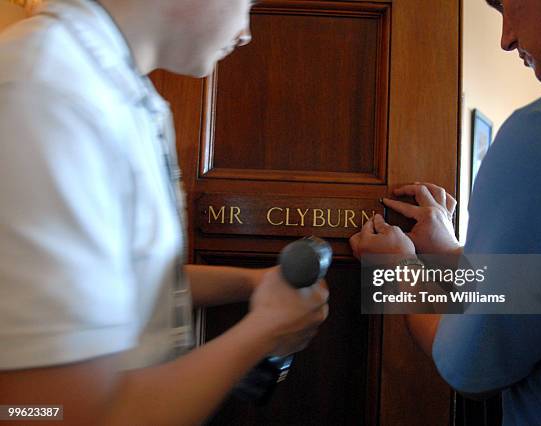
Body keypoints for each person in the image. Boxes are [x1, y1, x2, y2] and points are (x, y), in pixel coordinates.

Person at [0, 0, 329, 424]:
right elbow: (54, 414)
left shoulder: (129, 97)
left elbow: (119, 282)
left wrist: (253, 283)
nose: (246, 30)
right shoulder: (48, 93)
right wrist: (265, 330)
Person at [350, 0, 541, 424]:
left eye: (507, 4)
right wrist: (450, 254)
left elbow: (471, 371)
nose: (506, 38)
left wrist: (396, 272)